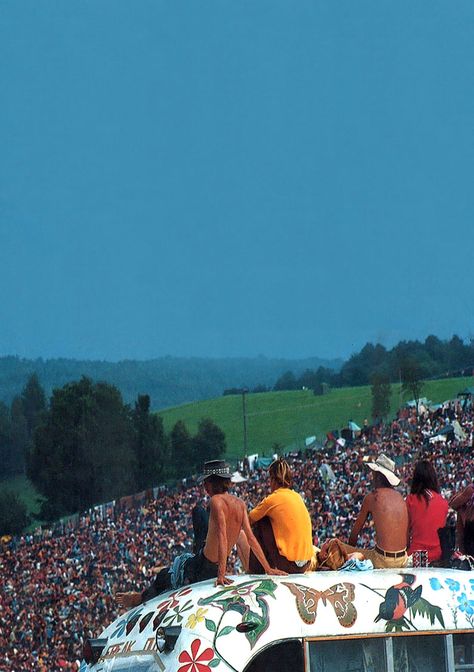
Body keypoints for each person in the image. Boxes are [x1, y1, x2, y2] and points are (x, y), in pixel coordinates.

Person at [116, 460, 286, 609]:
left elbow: (222, 536)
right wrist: (268, 569)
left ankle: (140, 598)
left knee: (164, 576)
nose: (204, 487)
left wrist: (221, 573)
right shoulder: (240, 504)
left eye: (206, 483)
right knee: (198, 514)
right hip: (209, 561)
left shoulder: (216, 501)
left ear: (213, 483)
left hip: (204, 566)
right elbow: (251, 538)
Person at [238, 457, 313, 573]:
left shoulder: (272, 499)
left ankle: (256, 569)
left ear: (272, 479)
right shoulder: (297, 496)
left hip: (290, 565)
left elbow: (248, 521)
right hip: (306, 563)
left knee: (262, 521)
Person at [340, 453, 409, 569]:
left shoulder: (372, 497)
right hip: (403, 559)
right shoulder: (400, 497)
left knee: (337, 544)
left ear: (377, 475)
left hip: (383, 560)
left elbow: (355, 533)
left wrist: (350, 551)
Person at [405, 459, 448, 563]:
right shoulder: (443, 502)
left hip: (416, 556)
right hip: (438, 556)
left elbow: (405, 535)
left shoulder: (410, 500)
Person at [449, 482, 474, 556]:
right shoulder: (471, 490)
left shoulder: (470, 490)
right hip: (469, 530)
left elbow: (452, 504)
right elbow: (453, 504)